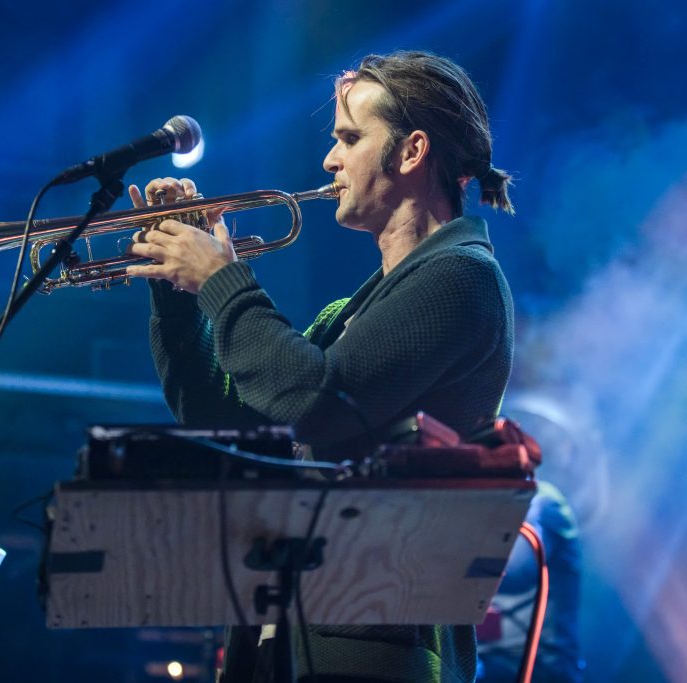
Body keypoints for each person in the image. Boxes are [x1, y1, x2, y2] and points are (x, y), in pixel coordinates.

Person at [125, 50, 516, 682]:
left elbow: (317, 402)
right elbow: (228, 420)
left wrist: (223, 279)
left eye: (350, 138)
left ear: (412, 152)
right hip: (287, 633)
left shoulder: (462, 277)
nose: (330, 160)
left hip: (372, 649)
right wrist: (178, 293)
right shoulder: (353, 311)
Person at [477, 481, 584, 682]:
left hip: (540, 669)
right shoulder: (469, 506)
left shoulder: (544, 503)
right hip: (484, 662)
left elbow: (515, 569)